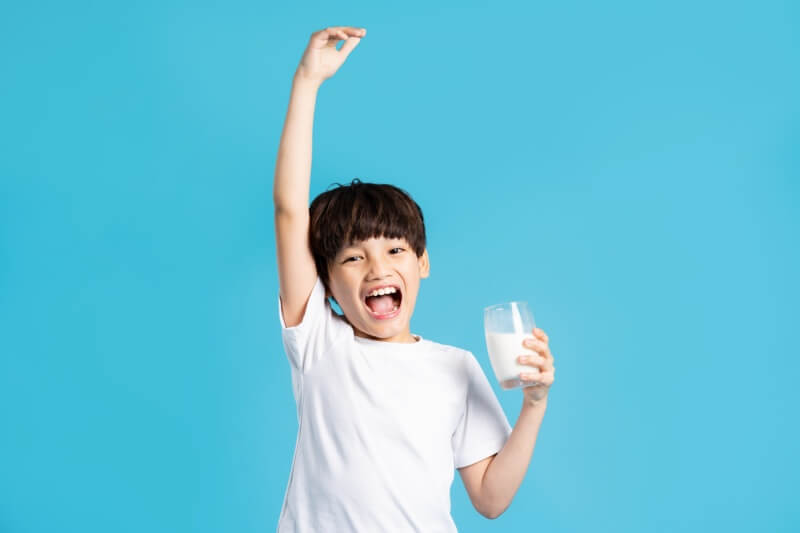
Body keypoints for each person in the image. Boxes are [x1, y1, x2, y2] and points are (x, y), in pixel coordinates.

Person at [273, 26, 556, 532]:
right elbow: (290, 212)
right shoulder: (318, 343)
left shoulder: (457, 368)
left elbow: (490, 499)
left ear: (422, 262)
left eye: (395, 250)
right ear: (326, 283)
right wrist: (308, 82)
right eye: (353, 259)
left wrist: (534, 403)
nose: (378, 268)